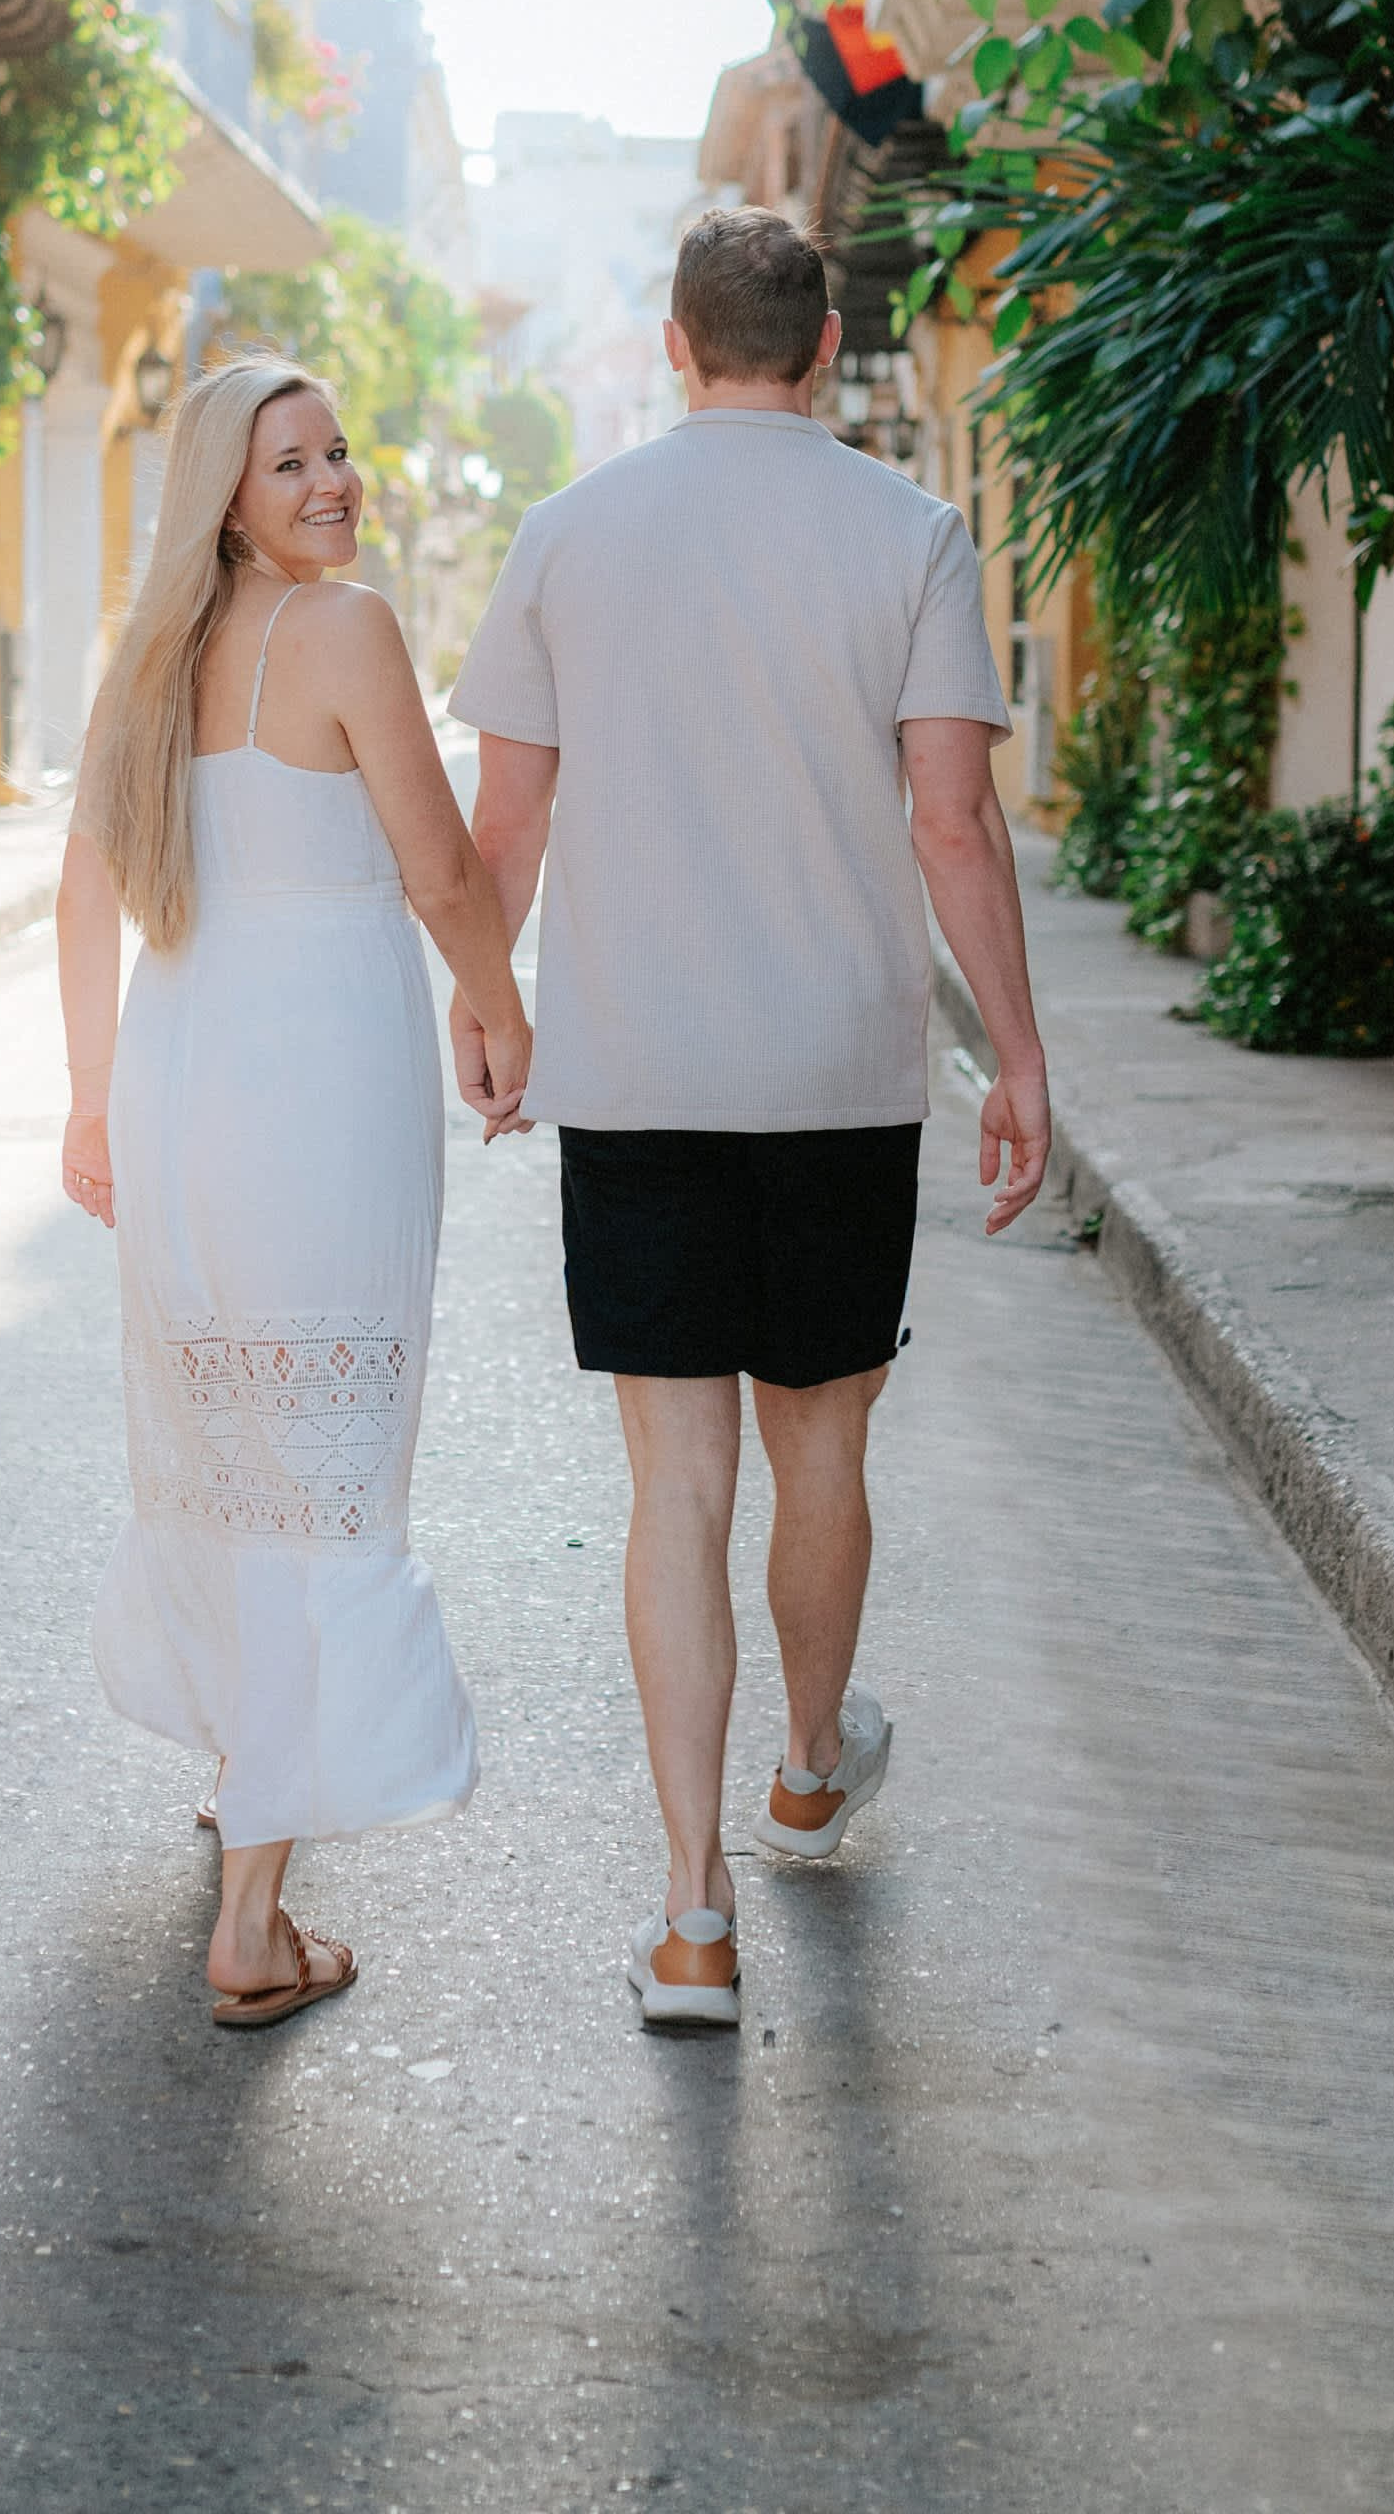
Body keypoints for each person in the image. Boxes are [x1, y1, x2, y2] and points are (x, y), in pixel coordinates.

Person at [447, 208, 1049, 2031]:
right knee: (822, 1449)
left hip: (636, 1078)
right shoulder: (911, 533)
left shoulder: (567, 536)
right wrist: (1015, 1056)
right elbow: (952, 824)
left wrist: (490, 1007)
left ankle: (693, 1918)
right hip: (837, 1075)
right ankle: (805, 1771)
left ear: (673, 340)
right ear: (822, 341)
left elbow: (504, 835)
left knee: (674, 1484)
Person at [56, 358, 531, 2029]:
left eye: (338, 450)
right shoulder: (344, 634)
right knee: (325, 1458)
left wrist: (88, 1096)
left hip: (187, 1068)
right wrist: (500, 1001)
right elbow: (440, 868)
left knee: (232, 1438)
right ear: (226, 495)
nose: (335, 480)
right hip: (318, 1076)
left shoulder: (158, 653)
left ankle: (246, 1762)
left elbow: (83, 893)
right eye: (292, 462)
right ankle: (254, 1924)